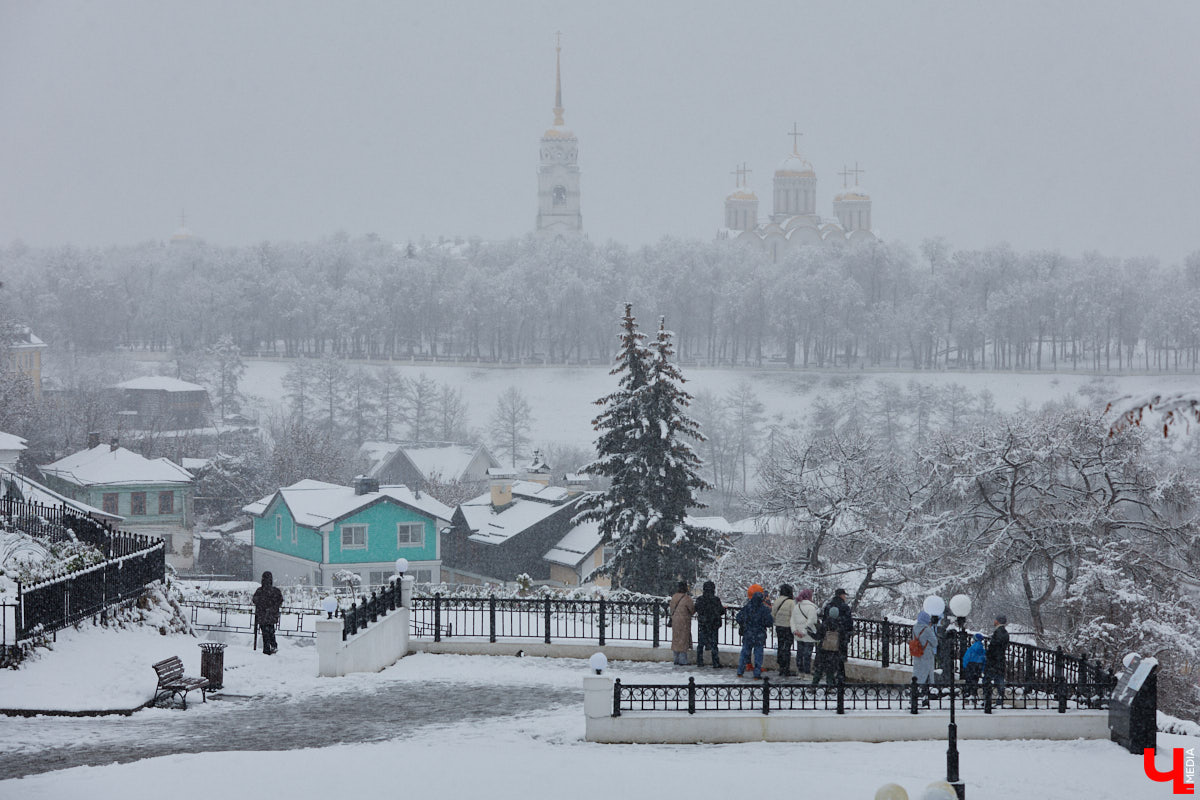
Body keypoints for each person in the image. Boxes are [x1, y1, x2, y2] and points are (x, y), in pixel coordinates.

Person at [735, 589, 773, 678]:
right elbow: (769, 622)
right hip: (759, 635)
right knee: (758, 654)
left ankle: (740, 671)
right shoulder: (764, 609)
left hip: (748, 634)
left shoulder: (747, 607)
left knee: (744, 653)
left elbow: (738, 618)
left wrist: (746, 623)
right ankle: (757, 673)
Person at [694, 580, 726, 668]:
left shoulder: (700, 599)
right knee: (714, 644)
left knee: (701, 643)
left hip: (703, 624)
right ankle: (715, 662)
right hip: (713, 624)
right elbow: (721, 611)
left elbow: (697, 609)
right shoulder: (716, 600)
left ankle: (699, 661)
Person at [252, 570, 284, 655]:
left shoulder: (260, 591)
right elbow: (280, 600)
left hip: (262, 615)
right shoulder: (275, 591)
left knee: (265, 632)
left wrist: (263, 606)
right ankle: (273, 645)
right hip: (272, 615)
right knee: (271, 630)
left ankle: (267, 649)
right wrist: (273, 608)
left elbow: (255, 600)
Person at [810, 604, 843, 687]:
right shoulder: (840, 625)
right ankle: (830, 686)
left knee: (819, 669)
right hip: (834, 651)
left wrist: (810, 633)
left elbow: (818, 636)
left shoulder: (825, 624)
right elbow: (843, 639)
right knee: (830, 670)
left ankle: (814, 685)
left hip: (823, 650)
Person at [982, 614, 1010, 707]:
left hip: (994, 660)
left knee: (987, 679)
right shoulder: (1005, 632)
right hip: (1000, 660)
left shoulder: (998, 632)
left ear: (998, 621)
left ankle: (987, 700)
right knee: (999, 679)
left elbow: (994, 646)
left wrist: (988, 654)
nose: (994, 621)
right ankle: (1000, 697)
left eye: (995, 620)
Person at [911, 610, 939, 705]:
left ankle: (914, 695)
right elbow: (935, 643)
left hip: (917, 653)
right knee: (926, 675)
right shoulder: (927, 629)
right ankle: (924, 697)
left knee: (917, 674)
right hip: (926, 654)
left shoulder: (915, 627)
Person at [790, 588, 820, 674]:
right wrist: (804, 632)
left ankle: (800, 671)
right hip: (808, 635)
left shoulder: (796, 607)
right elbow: (811, 621)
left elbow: (792, 620)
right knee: (807, 654)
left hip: (798, 634)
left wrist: (795, 631)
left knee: (800, 653)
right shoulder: (811, 608)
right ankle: (807, 672)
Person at [827, 588, 854, 681]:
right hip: (842, 635)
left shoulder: (829, 606)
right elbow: (849, 622)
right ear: (841, 596)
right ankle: (840, 676)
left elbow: (825, 620)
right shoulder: (845, 607)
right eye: (844, 595)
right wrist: (849, 633)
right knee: (841, 656)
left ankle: (830, 676)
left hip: (830, 635)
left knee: (831, 656)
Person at [772, 584, 797, 677]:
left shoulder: (777, 601)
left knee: (780, 645)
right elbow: (794, 615)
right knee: (786, 648)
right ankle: (786, 668)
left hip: (779, 627)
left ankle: (781, 666)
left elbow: (773, 613)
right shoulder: (791, 602)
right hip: (787, 627)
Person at [669, 581, 695, 666]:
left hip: (675, 621)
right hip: (684, 621)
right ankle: (683, 660)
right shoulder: (687, 598)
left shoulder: (674, 597)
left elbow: (671, 608)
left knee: (676, 638)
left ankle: (676, 658)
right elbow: (692, 610)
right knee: (683, 639)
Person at [961, 633, 986, 700]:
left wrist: (965, 666)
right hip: (978, 666)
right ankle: (974, 693)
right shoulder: (982, 649)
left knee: (969, 680)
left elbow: (966, 658)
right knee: (975, 680)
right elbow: (984, 659)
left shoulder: (971, 648)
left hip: (971, 665)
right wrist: (982, 668)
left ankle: (968, 694)